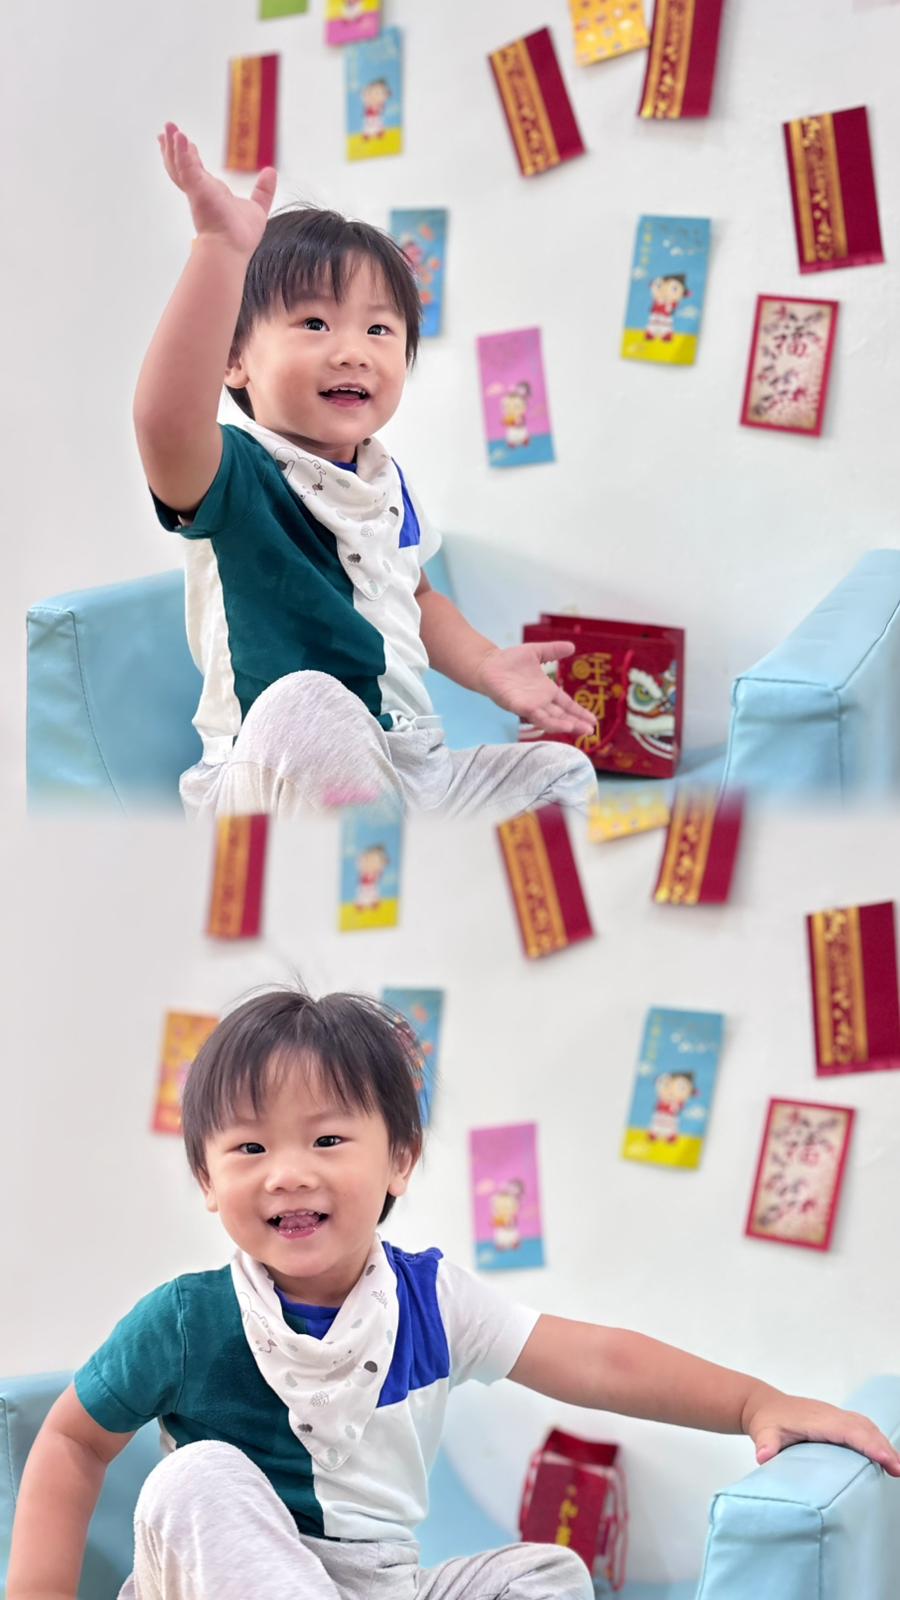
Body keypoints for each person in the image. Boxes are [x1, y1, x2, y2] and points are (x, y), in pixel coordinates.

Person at [9, 990, 900, 1600]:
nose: (287, 1173)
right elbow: (73, 1445)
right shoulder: (186, 1319)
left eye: (326, 1140)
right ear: (206, 1180)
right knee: (192, 1477)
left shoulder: (428, 1302)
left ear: (400, 1159)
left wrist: (755, 1402)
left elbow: (597, 1360)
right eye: (248, 1150)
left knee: (546, 1576)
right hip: (225, 1577)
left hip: (378, 1584)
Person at [133, 125, 598, 820]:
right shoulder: (240, 470)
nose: (353, 351)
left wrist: (486, 667)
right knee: (307, 702)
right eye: (315, 324)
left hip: (409, 769)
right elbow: (165, 423)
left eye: (379, 330)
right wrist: (219, 252)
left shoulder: (385, 479)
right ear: (235, 361)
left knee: (556, 772)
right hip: (277, 774)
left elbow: (418, 594)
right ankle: (370, 893)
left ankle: (425, 880)